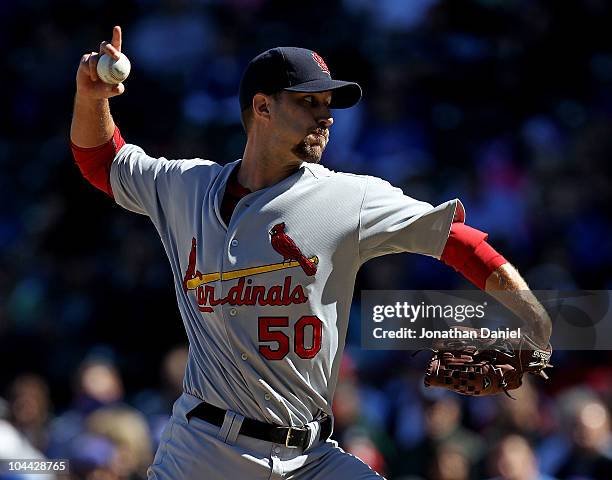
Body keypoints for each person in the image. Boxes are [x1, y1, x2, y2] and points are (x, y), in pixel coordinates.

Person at [70, 26, 552, 479]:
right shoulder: (185, 187)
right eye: (308, 102)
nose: (326, 116)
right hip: (203, 448)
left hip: (310, 457)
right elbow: (102, 162)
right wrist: (91, 96)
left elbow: (455, 241)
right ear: (262, 106)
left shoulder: (350, 198)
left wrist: (533, 313)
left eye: (328, 103)